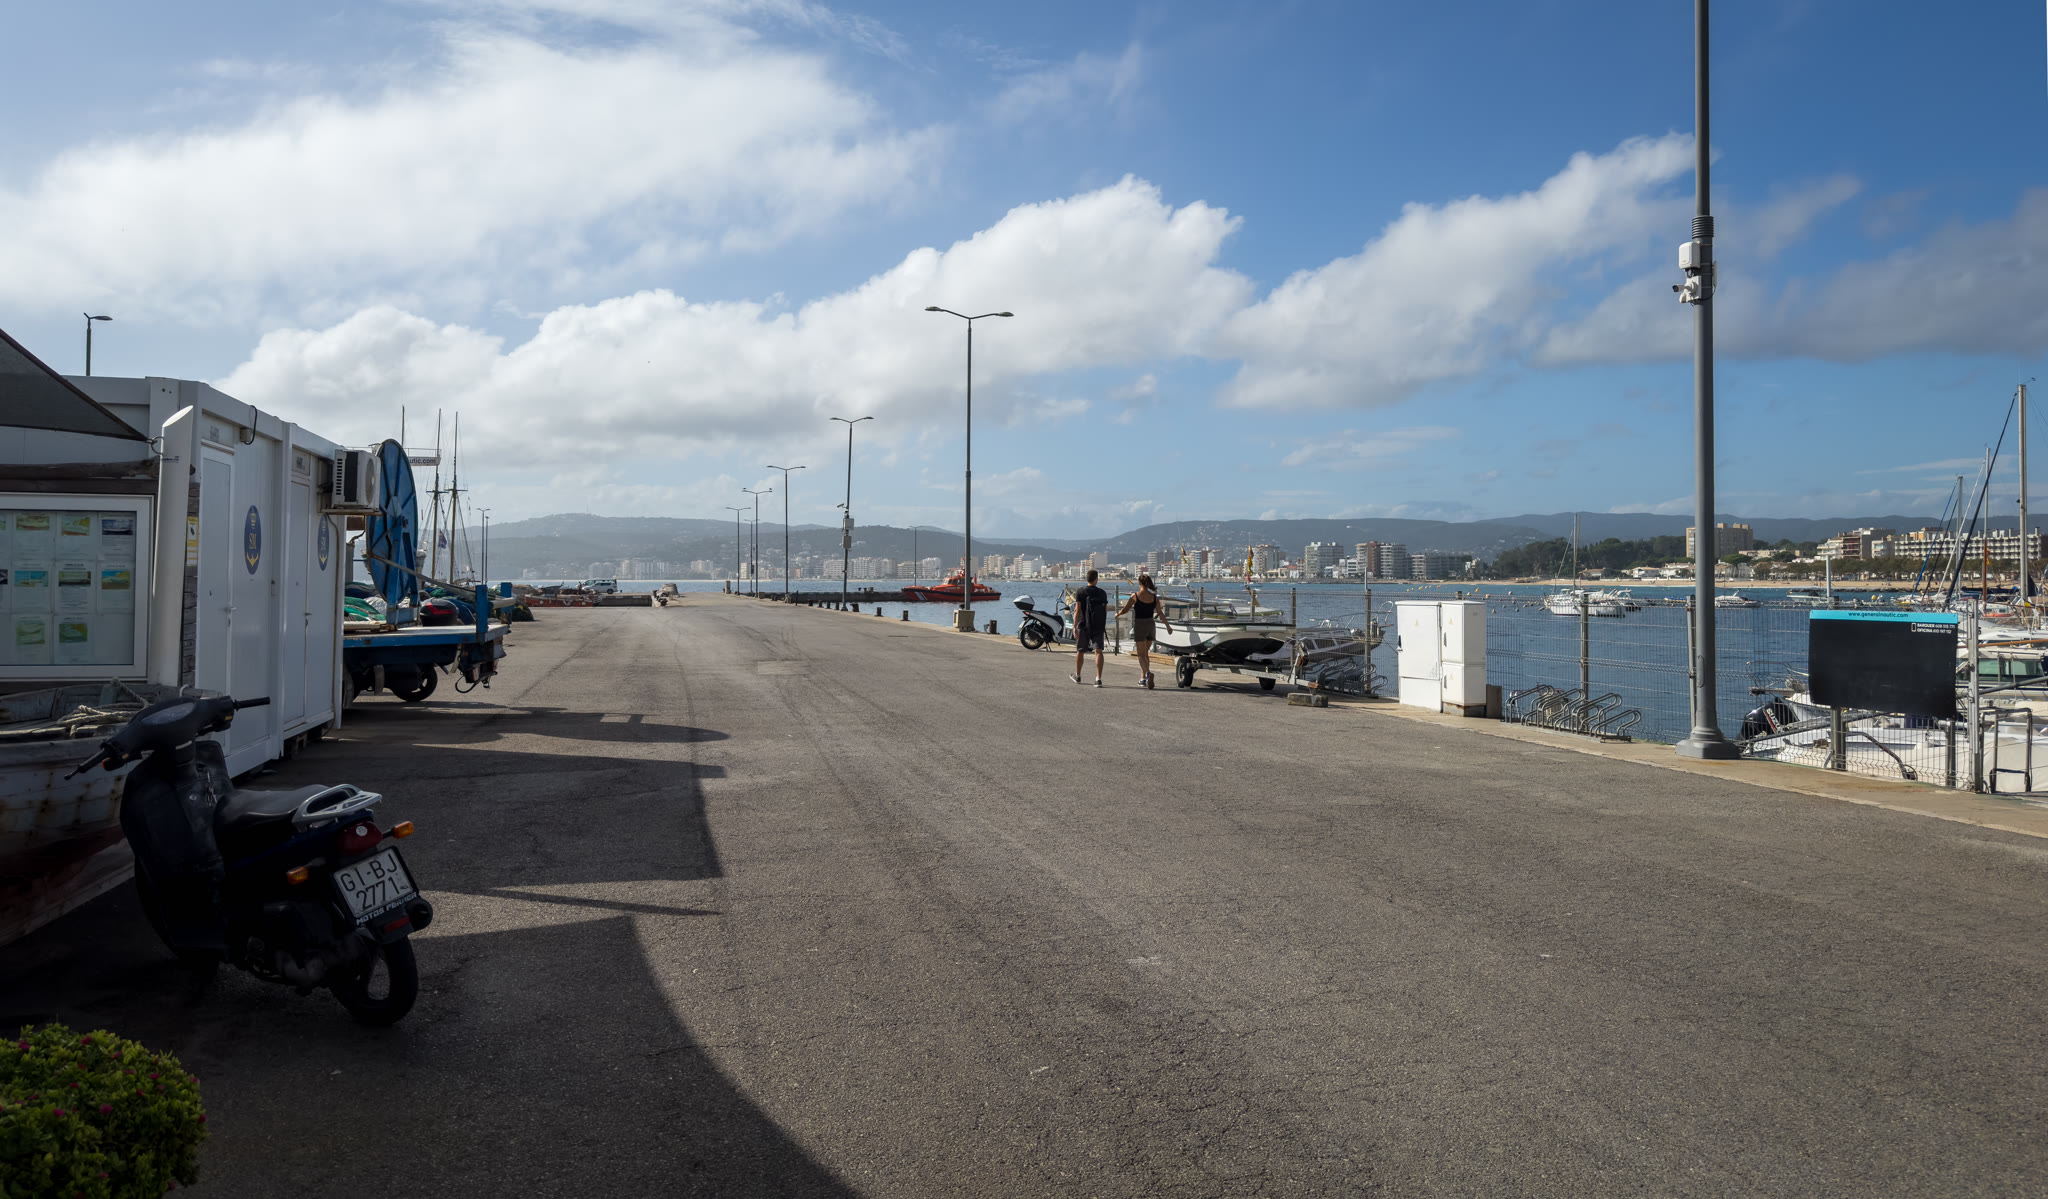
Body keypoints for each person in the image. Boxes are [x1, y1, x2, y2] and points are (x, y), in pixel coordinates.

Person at [1117, 573, 1173, 689]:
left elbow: (1125, 609)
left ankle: (1147, 673)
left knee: (1141, 655)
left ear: (1139, 583)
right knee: (1145, 653)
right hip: (1151, 625)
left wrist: (1117, 614)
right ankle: (1143, 679)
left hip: (1140, 625)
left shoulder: (1135, 596)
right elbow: (1160, 613)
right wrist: (1168, 626)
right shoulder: (1154, 597)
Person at [1071, 569, 1109, 686]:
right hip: (1098, 626)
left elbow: (1077, 610)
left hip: (1084, 624)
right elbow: (1105, 610)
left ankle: (1078, 676)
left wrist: (1074, 626)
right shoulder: (1102, 593)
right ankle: (1098, 679)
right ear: (1096, 579)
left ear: (1087, 579)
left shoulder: (1081, 592)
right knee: (1098, 651)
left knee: (1080, 651)